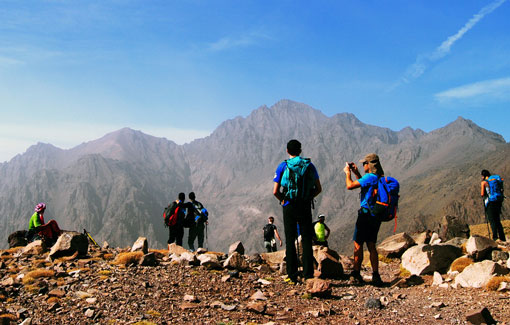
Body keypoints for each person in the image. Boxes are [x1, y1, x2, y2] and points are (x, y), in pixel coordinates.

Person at [273, 139, 322, 284]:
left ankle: (292, 275)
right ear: (300, 151)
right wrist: (308, 197)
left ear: (287, 151)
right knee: (306, 239)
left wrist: (283, 199)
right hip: (305, 205)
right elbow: (319, 189)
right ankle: (308, 274)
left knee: (290, 239)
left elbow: (275, 191)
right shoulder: (309, 165)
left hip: (289, 205)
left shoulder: (283, 166)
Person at [343, 153, 384, 286]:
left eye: (364, 164)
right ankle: (376, 275)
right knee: (372, 245)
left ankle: (356, 273)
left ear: (369, 165)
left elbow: (350, 186)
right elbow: (364, 185)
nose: (363, 165)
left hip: (365, 215)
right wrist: (357, 172)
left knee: (358, 243)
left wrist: (347, 173)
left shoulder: (370, 177)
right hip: (375, 216)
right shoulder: (378, 177)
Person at [481, 170, 506, 241]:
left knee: (492, 220)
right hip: (498, 201)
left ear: (483, 176)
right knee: (497, 220)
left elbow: (482, 194)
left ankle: (495, 238)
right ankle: (502, 238)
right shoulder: (496, 179)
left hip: (490, 203)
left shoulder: (484, 182)